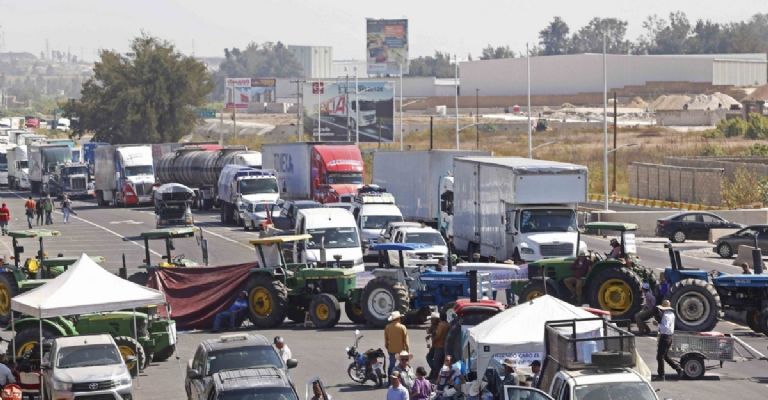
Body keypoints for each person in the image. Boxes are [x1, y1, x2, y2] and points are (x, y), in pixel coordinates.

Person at [653, 300, 682, 381]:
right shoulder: (672, 314)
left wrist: (657, 324)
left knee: (660, 357)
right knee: (664, 356)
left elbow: (665, 327)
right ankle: (677, 368)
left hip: (665, 337)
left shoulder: (666, 315)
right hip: (669, 337)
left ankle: (661, 376)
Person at [385, 311, 410, 379]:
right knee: (403, 364)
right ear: (399, 319)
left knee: (391, 365)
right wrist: (407, 351)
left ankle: (390, 380)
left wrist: (388, 348)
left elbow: (386, 341)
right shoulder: (402, 327)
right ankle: (402, 379)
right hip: (401, 350)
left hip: (391, 350)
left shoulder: (387, 327)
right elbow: (406, 341)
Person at [427, 312, 449, 380]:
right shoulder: (446, 324)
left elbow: (438, 336)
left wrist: (433, 340)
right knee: (436, 362)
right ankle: (433, 375)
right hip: (441, 346)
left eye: (432, 319)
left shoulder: (441, 325)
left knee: (435, 363)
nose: (431, 320)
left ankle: (435, 375)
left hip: (438, 346)